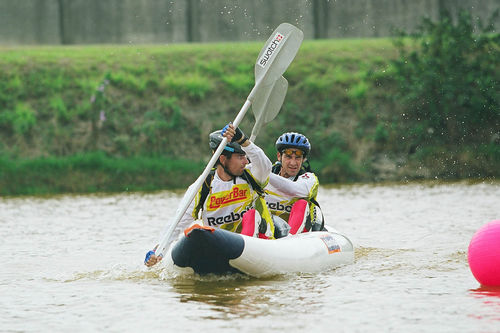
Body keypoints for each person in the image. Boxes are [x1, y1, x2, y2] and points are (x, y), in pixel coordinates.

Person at [145, 124, 275, 267]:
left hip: (261, 244)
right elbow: (177, 223)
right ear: (223, 159)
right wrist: (158, 252)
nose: (246, 161)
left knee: (251, 215)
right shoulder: (202, 186)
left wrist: (243, 141)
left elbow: (266, 165)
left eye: (245, 156)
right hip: (223, 246)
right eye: (240, 157)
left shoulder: (252, 175)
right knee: (195, 230)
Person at [265, 132, 324, 236]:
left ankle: (289, 240)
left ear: (303, 159)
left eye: (298, 158)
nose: (293, 163)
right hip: (270, 229)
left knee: (301, 204)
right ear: (279, 156)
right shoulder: (268, 171)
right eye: (288, 157)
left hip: (299, 235)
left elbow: (293, 189)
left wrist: (263, 173)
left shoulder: (310, 179)